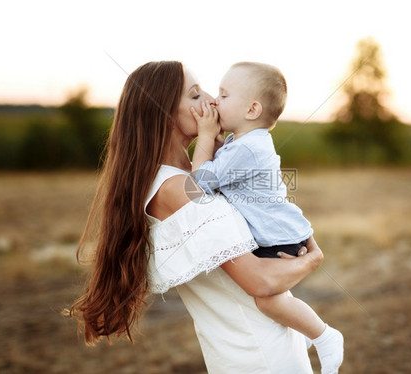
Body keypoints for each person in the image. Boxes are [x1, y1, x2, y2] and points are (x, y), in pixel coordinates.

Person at [67, 61, 325, 373]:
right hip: (256, 354)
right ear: (163, 115)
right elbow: (260, 279)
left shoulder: (182, 178)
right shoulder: (177, 189)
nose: (211, 100)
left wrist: (213, 149)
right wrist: (311, 260)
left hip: (255, 346)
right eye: (194, 95)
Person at [190, 62, 344, 374]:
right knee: (275, 298)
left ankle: (325, 335)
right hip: (278, 231)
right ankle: (309, 331)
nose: (215, 101)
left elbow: (196, 188)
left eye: (224, 94)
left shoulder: (248, 148)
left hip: (278, 237)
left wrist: (205, 136)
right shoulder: (243, 142)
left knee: (267, 300)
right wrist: (217, 140)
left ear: (252, 109)